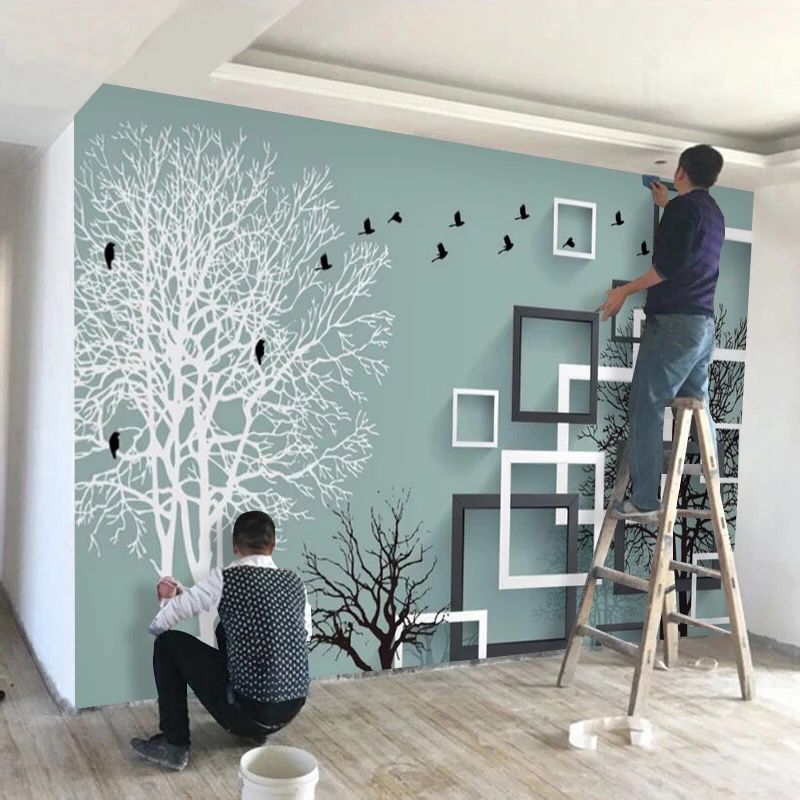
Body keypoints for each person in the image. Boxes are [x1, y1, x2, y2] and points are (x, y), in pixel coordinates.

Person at [599, 144, 725, 523]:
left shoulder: (684, 210)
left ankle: (644, 502)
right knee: (698, 403)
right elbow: (689, 244)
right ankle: (714, 482)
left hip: (672, 323)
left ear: (680, 172)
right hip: (702, 327)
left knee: (646, 404)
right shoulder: (713, 213)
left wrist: (623, 291)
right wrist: (667, 204)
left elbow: (666, 268)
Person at [130, 511, 312, 771]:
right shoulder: (294, 582)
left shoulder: (226, 578)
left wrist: (166, 605)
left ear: (235, 547)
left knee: (167, 644)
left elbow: (166, 619)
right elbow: (304, 636)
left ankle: (174, 744)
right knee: (225, 629)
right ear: (273, 546)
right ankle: (257, 732)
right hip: (290, 709)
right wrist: (185, 596)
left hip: (247, 712)